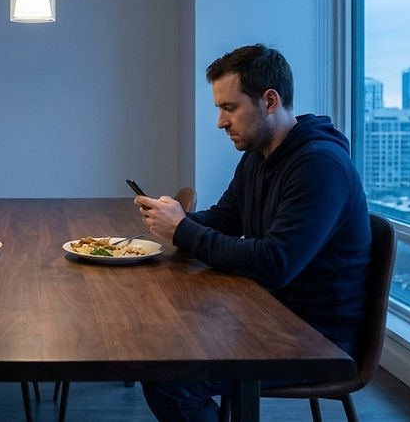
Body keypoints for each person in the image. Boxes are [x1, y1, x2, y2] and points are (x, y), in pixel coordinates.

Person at [135, 44, 371, 422]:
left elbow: (275, 263)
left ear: (270, 100)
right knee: (159, 346)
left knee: (169, 378)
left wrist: (182, 230)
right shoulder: (258, 157)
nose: (220, 122)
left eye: (229, 108)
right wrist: (175, 218)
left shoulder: (319, 166)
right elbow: (226, 218)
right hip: (265, 313)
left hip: (315, 338)